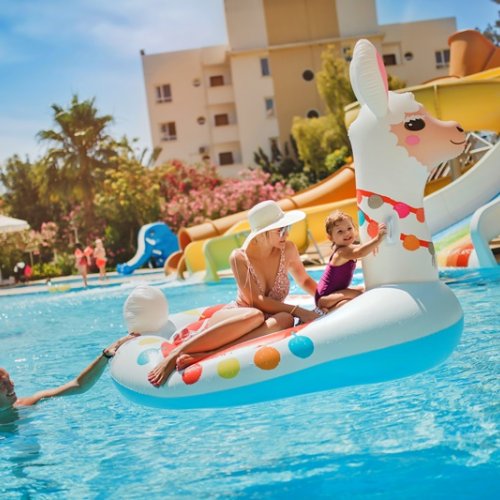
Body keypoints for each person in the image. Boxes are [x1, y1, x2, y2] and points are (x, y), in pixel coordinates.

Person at [147, 200, 321, 387]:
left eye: (287, 228)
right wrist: (299, 310)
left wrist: (324, 297)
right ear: (263, 233)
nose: (286, 234)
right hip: (238, 318)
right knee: (256, 315)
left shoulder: (288, 249)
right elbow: (258, 301)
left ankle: (208, 354)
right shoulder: (239, 257)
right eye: (281, 230)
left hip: (268, 322)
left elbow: (304, 280)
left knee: (286, 319)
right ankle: (176, 354)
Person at [0, 333, 138, 413]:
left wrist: (106, 355)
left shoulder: (25, 404)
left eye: (9, 380)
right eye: (4, 384)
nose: (12, 385)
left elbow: (78, 385)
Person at [315, 210, 387, 310]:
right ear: (330, 237)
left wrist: (372, 245)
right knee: (360, 295)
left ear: (355, 229)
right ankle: (324, 308)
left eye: (349, 228)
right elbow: (359, 252)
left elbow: (361, 248)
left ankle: (328, 309)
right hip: (326, 297)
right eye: (340, 231)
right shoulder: (341, 252)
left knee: (362, 290)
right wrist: (378, 239)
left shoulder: (347, 248)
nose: (347, 233)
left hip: (334, 293)